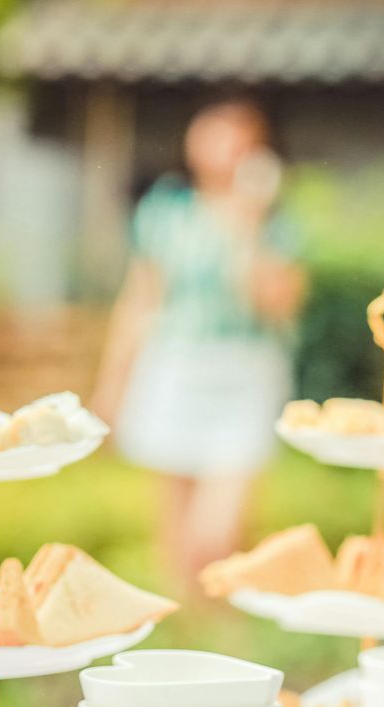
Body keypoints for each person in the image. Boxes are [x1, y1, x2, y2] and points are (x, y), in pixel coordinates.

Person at [92, 99, 306, 586]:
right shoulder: (167, 212)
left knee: (218, 534)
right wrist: (111, 386)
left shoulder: (275, 224)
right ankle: (193, 631)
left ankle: (223, 618)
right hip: (175, 365)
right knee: (176, 531)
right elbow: (139, 302)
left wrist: (247, 226)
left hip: (245, 370)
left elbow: (277, 303)